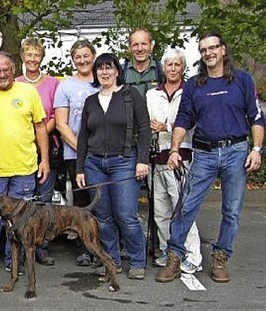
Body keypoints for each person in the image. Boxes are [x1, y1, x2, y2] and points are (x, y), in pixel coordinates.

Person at [155, 33, 264, 283]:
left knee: (232, 210)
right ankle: (174, 257)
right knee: (186, 206)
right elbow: (183, 119)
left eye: (213, 47)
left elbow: (256, 117)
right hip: (203, 153)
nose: (208, 53)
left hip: (236, 152)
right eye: (203, 49)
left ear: (223, 50)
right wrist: (173, 150)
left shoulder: (243, 81)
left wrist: (256, 150)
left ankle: (221, 257)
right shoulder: (194, 85)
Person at [76, 53, 151, 280]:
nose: (105, 72)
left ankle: (138, 261)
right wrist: (80, 168)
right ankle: (112, 261)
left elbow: (145, 129)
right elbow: (83, 137)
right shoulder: (91, 101)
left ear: (117, 71)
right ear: (96, 73)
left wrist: (142, 161)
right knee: (104, 217)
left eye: (109, 68)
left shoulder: (131, 96)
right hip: (94, 164)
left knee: (126, 215)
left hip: (124, 162)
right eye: (100, 69)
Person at [0, 52, 50, 274]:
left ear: (13, 68)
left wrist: (44, 159)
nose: (1, 74)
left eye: (5, 69)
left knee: (21, 219)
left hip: (24, 167)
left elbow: (40, 127)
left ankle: (13, 261)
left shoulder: (28, 92)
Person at [145, 48, 202, 273]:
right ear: (163, 68)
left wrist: (167, 127)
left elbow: (194, 121)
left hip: (181, 156)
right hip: (156, 157)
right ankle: (168, 251)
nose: (173, 69)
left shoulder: (191, 91)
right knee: (160, 210)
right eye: (169, 65)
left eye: (177, 65)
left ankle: (192, 255)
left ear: (183, 67)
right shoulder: (152, 94)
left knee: (182, 208)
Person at [54, 39, 100, 266]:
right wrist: (82, 150)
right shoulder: (66, 86)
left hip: (103, 154)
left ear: (94, 56)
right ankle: (84, 248)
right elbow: (62, 124)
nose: (82, 60)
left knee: (102, 203)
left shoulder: (104, 80)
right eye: (77, 57)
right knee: (81, 204)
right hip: (75, 155)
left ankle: (103, 247)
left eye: (86, 55)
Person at [14, 37, 59, 266]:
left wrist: (36, 136)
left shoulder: (52, 83)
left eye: (36, 55)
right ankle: (21, 247)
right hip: (19, 150)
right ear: (22, 57)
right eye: (28, 54)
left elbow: (53, 117)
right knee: (23, 200)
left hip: (45, 146)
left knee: (44, 199)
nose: (32, 59)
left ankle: (42, 246)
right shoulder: (15, 83)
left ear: (42, 57)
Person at [123, 28, 165, 98]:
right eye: (135, 44)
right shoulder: (121, 72)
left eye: (144, 44)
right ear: (129, 48)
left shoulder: (162, 70)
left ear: (151, 46)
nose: (140, 49)